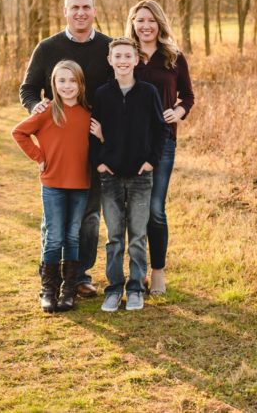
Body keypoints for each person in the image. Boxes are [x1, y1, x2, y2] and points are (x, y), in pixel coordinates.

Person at [19, 0, 112, 298]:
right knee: (54, 220)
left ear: (94, 10)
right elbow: (28, 88)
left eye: (86, 7)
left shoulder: (109, 48)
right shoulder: (47, 48)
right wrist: (38, 108)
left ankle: (80, 275)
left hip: (94, 146)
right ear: (66, 11)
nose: (81, 13)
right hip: (58, 149)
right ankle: (52, 276)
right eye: (75, 8)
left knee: (88, 217)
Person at [89, 37, 165, 312]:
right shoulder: (102, 94)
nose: (122, 61)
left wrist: (151, 162)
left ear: (136, 60)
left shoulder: (148, 93)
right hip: (109, 175)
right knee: (114, 237)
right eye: (117, 56)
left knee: (137, 236)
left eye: (127, 56)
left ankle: (135, 288)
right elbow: (92, 132)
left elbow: (160, 131)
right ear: (110, 61)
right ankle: (113, 289)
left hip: (140, 177)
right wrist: (99, 162)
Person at [127, 0, 195, 296]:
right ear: (133, 23)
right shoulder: (125, 55)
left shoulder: (174, 57)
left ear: (160, 23)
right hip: (129, 142)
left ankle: (157, 271)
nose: (146, 25)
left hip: (163, 141)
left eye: (151, 20)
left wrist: (178, 112)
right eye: (140, 20)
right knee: (133, 209)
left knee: (155, 208)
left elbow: (188, 96)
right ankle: (136, 271)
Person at [12, 61, 92, 313]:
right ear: (53, 85)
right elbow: (19, 133)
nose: (67, 86)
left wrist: (101, 135)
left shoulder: (88, 113)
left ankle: (69, 291)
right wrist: (39, 156)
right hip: (53, 183)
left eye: (72, 81)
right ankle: (49, 290)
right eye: (62, 81)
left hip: (80, 183)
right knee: (54, 236)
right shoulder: (47, 112)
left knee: (72, 235)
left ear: (80, 84)